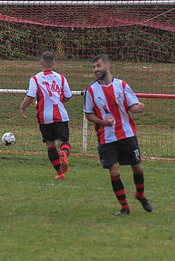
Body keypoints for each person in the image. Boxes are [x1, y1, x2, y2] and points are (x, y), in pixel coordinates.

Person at [84, 54, 152, 216]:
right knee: (114, 171)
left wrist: (136, 108)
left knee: (137, 168)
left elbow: (132, 105)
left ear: (108, 66)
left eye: (98, 66)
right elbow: (88, 114)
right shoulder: (91, 90)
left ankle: (140, 195)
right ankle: (125, 207)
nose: (96, 70)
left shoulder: (121, 85)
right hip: (106, 138)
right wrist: (103, 122)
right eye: (94, 67)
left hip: (127, 134)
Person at [20, 51, 72, 179]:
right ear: (54, 62)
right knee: (64, 142)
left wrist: (22, 108)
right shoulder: (61, 78)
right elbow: (68, 96)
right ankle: (64, 153)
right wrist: (59, 101)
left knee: (50, 144)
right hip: (60, 116)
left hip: (44, 118)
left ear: (41, 62)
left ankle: (60, 173)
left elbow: (30, 96)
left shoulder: (35, 78)